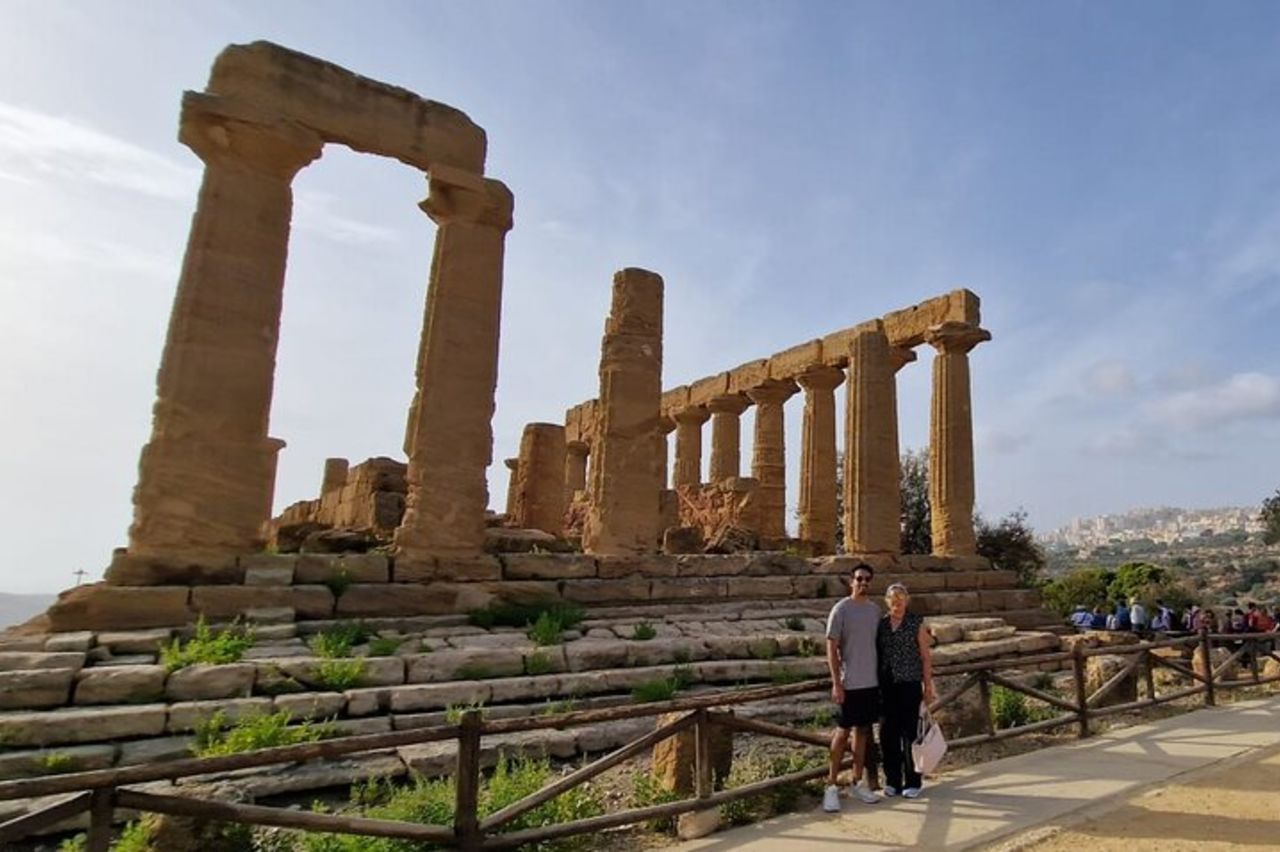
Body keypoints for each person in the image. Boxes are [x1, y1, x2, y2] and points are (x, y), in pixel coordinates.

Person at [824, 564, 882, 811]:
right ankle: (831, 786)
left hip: (871, 682)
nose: (863, 583)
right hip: (849, 682)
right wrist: (836, 682)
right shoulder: (841, 609)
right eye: (859, 578)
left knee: (863, 733)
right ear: (851, 581)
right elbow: (831, 648)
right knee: (841, 733)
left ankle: (857, 782)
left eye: (868, 579)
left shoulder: (874, 611)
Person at [876, 583, 936, 799]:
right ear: (887, 601)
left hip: (909, 684)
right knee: (887, 734)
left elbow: (925, 656)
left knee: (910, 734)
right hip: (886, 685)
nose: (897, 601)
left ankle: (913, 781)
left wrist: (928, 686)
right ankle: (892, 780)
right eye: (893, 598)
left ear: (907, 600)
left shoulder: (915, 622)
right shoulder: (881, 624)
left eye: (901, 597)